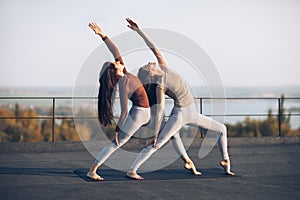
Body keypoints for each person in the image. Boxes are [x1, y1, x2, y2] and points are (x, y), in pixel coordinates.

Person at [126, 18, 235, 180]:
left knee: (222, 129)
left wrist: (139, 31)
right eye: (147, 65)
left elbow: (153, 48)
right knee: (158, 143)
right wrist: (156, 133)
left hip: (192, 111)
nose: (150, 62)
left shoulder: (164, 66)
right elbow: (162, 109)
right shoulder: (159, 86)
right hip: (181, 113)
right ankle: (132, 170)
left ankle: (225, 161)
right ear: (149, 74)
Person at [86, 22, 151, 181]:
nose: (118, 62)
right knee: (117, 143)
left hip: (146, 113)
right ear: (115, 72)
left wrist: (102, 35)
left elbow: (115, 50)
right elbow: (124, 112)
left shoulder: (124, 72)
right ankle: (93, 170)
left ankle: (132, 170)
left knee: (164, 134)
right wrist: (116, 132)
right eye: (115, 63)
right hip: (138, 115)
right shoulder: (124, 84)